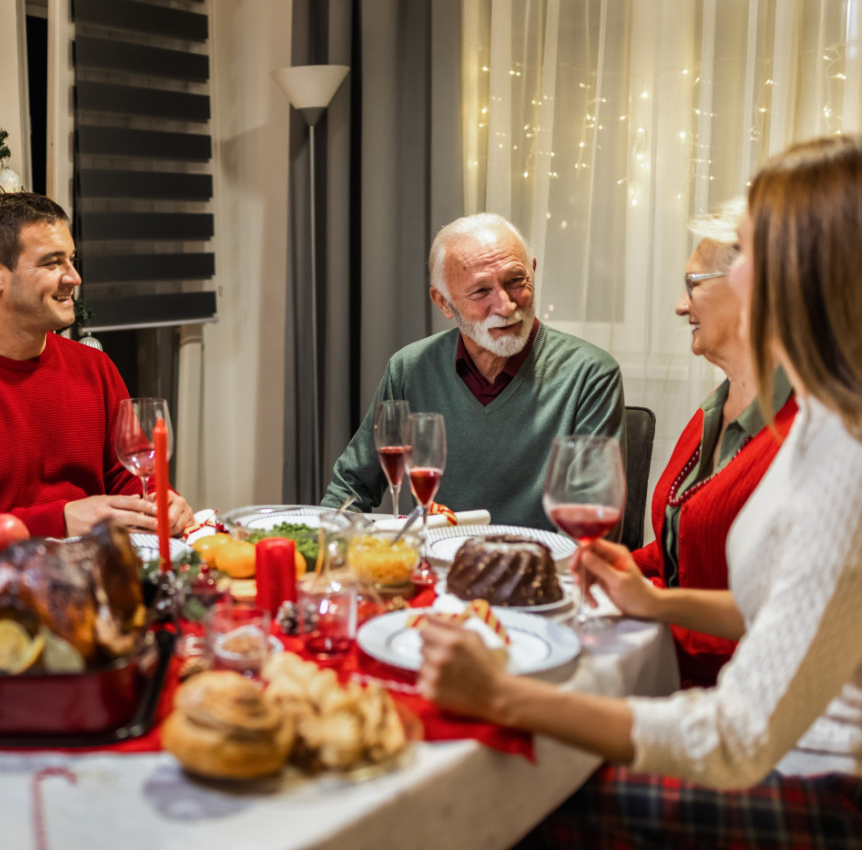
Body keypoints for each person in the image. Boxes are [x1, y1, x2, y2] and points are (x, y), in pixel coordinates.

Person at [420, 134, 862, 847]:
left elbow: (733, 738)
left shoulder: (846, 447)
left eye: (743, 254)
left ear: (800, 271)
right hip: (779, 750)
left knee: (514, 796)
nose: (720, 282)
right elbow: (788, 607)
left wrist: (504, 694)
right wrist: (657, 601)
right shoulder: (820, 416)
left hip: (820, 786)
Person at [0, 192, 194, 572]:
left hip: (98, 581)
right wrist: (61, 521)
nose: (74, 278)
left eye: (71, 260)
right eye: (52, 263)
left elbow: (129, 476)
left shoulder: (94, 367)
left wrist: (163, 499)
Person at [322, 213, 625, 528]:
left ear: (533, 271)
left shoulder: (591, 374)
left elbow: (595, 532)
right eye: (481, 292)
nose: (506, 305)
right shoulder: (409, 369)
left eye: (516, 281)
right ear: (443, 302)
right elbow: (349, 490)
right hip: (435, 569)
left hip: (542, 572)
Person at [629, 202, 797, 688]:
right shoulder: (712, 409)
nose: (682, 306)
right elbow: (676, 555)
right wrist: (610, 565)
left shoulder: (803, 431)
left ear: (751, 288)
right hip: (672, 677)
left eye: (691, 285)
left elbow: (779, 627)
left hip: (735, 704)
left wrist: (651, 617)